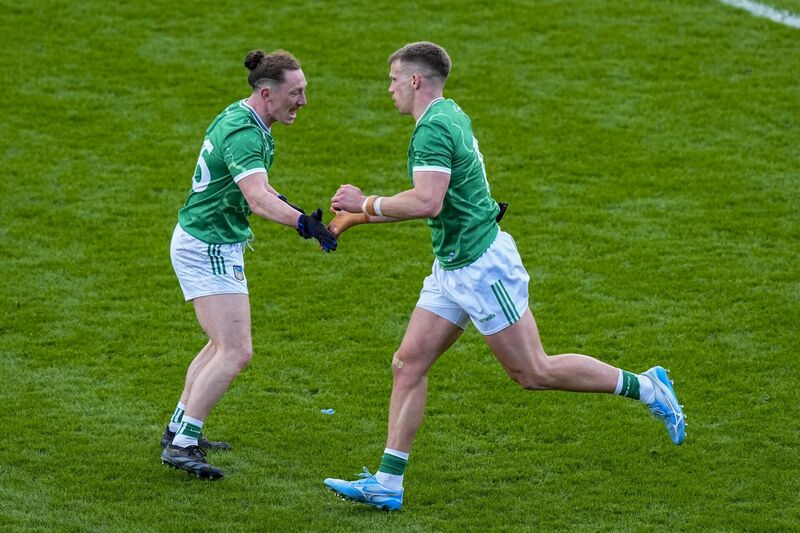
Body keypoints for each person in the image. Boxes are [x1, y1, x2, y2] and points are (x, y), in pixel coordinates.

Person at [323, 41, 685, 510]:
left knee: (534, 371)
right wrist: (361, 218)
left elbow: (427, 202)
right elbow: (440, 202)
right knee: (408, 363)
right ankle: (388, 484)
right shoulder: (449, 113)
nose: (389, 89)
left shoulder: (431, 131)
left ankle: (648, 386)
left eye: (393, 79)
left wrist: (364, 202)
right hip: (453, 265)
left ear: (415, 80)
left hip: (481, 267)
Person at [160, 49, 337, 480]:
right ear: (266, 92)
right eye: (296, 93)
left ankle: (178, 428)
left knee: (221, 344)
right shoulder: (243, 132)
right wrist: (301, 224)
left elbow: (259, 187)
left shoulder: (248, 119)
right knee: (236, 351)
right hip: (208, 247)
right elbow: (256, 200)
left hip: (211, 241)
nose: (303, 101)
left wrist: (300, 214)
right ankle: (183, 444)